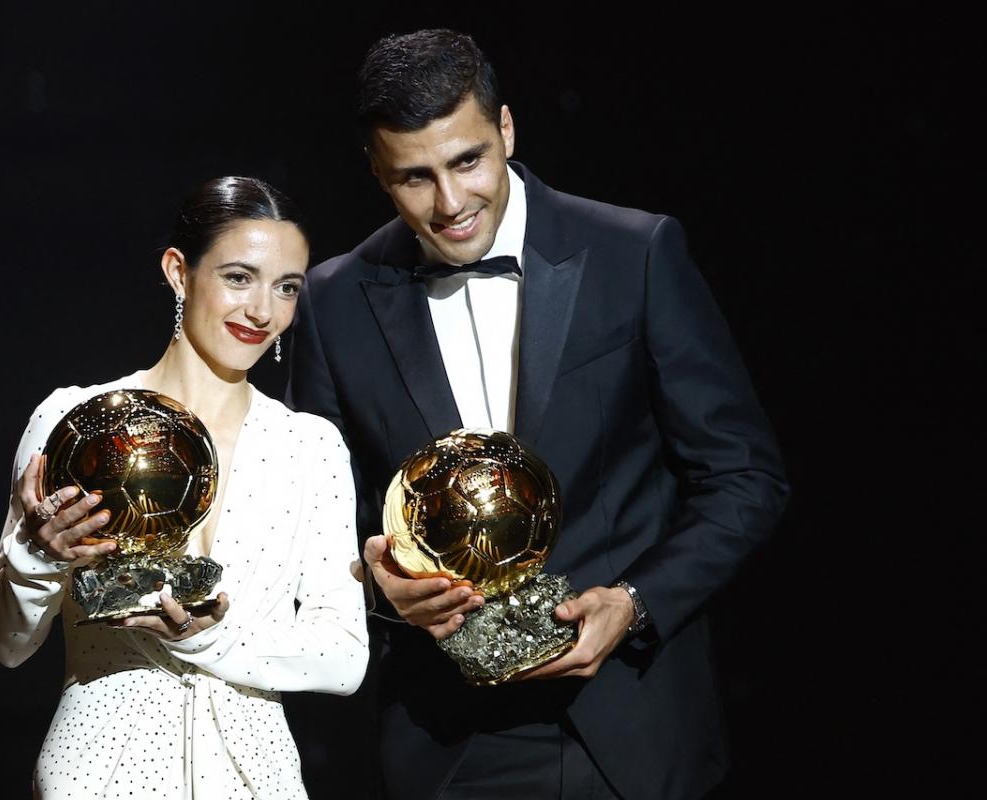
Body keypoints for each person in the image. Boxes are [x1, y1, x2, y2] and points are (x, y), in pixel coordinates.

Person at [287, 30, 789, 800]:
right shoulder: (333, 301)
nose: (451, 204)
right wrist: (383, 588)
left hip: (633, 724)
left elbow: (745, 477)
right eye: (415, 178)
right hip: (448, 742)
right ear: (376, 171)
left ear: (508, 129)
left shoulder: (636, 252)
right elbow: (320, 532)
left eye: (467, 161)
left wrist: (635, 602)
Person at [0, 176, 369, 799]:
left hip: (254, 782)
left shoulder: (309, 447)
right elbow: (7, 644)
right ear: (178, 272)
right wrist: (38, 557)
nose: (262, 311)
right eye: (239, 278)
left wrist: (210, 636)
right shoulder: (76, 423)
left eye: (286, 288)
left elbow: (344, 658)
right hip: (98, 778)